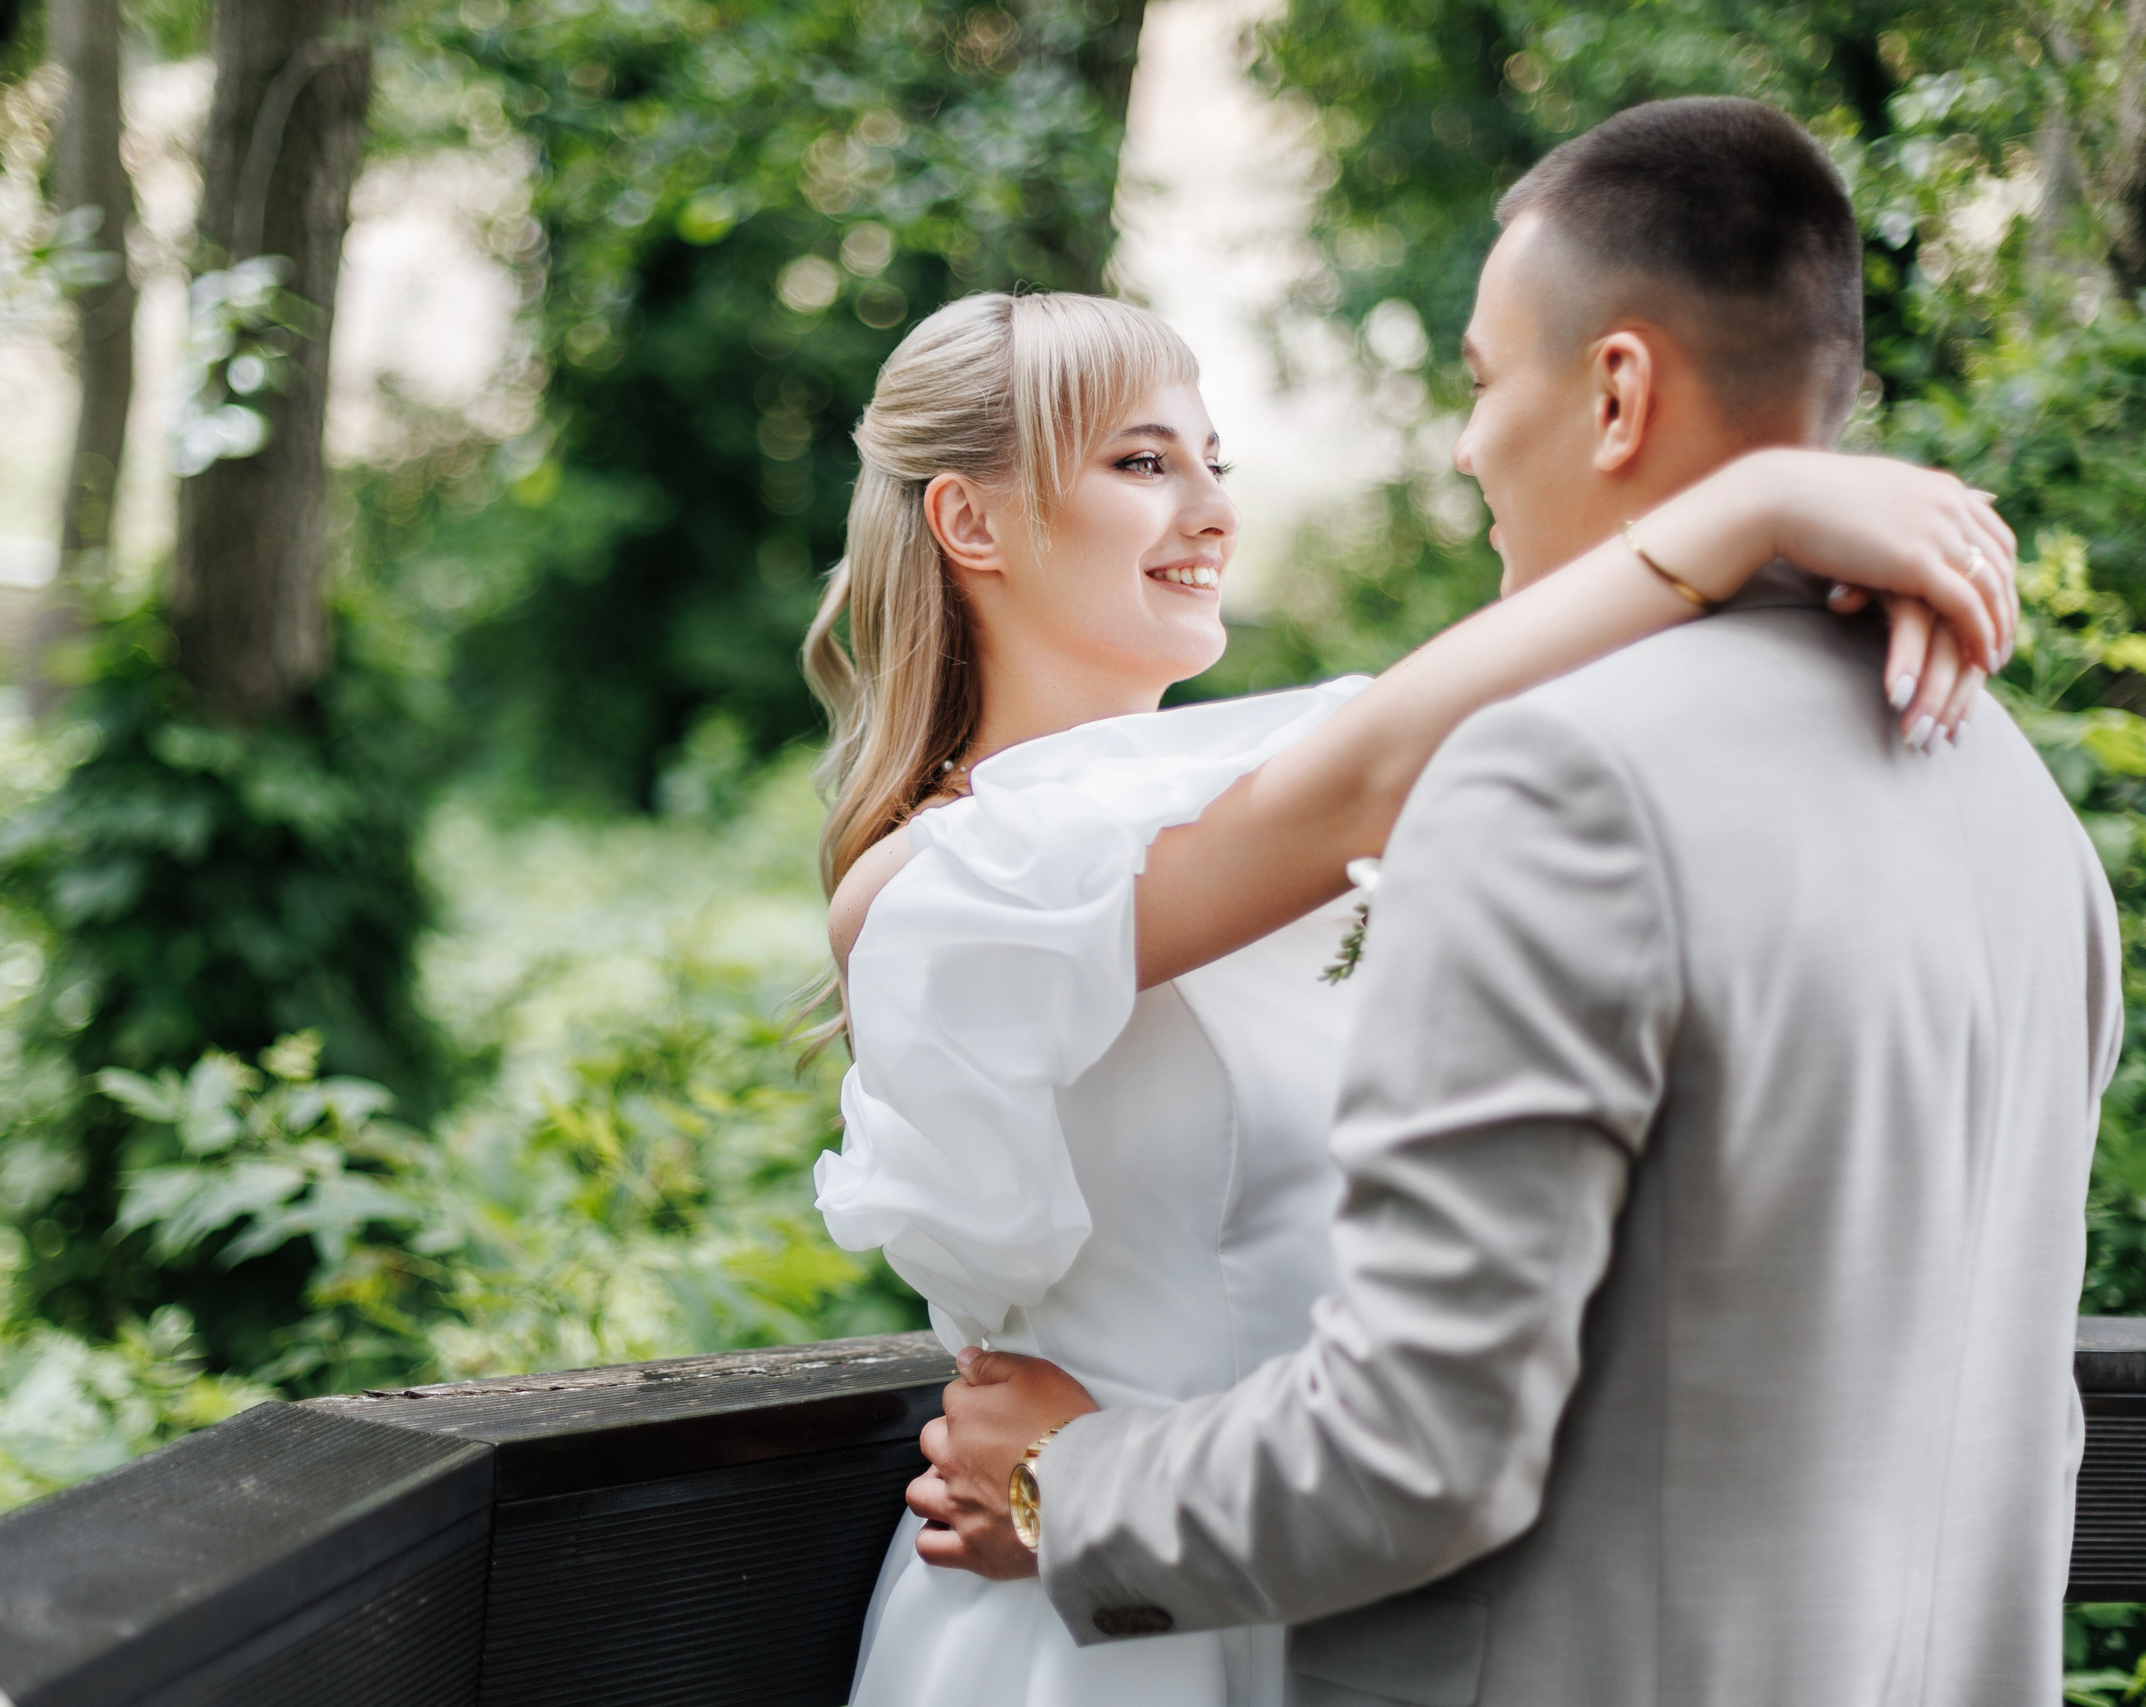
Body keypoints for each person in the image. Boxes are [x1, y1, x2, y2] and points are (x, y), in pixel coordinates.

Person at [908, 97, 2120, 1707]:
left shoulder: (1562, 782)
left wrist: (1072, 1485)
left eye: (1485, 383)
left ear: (1616, 393)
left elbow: (1417, 1450)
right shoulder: (2017, 800)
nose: (1468, 444)